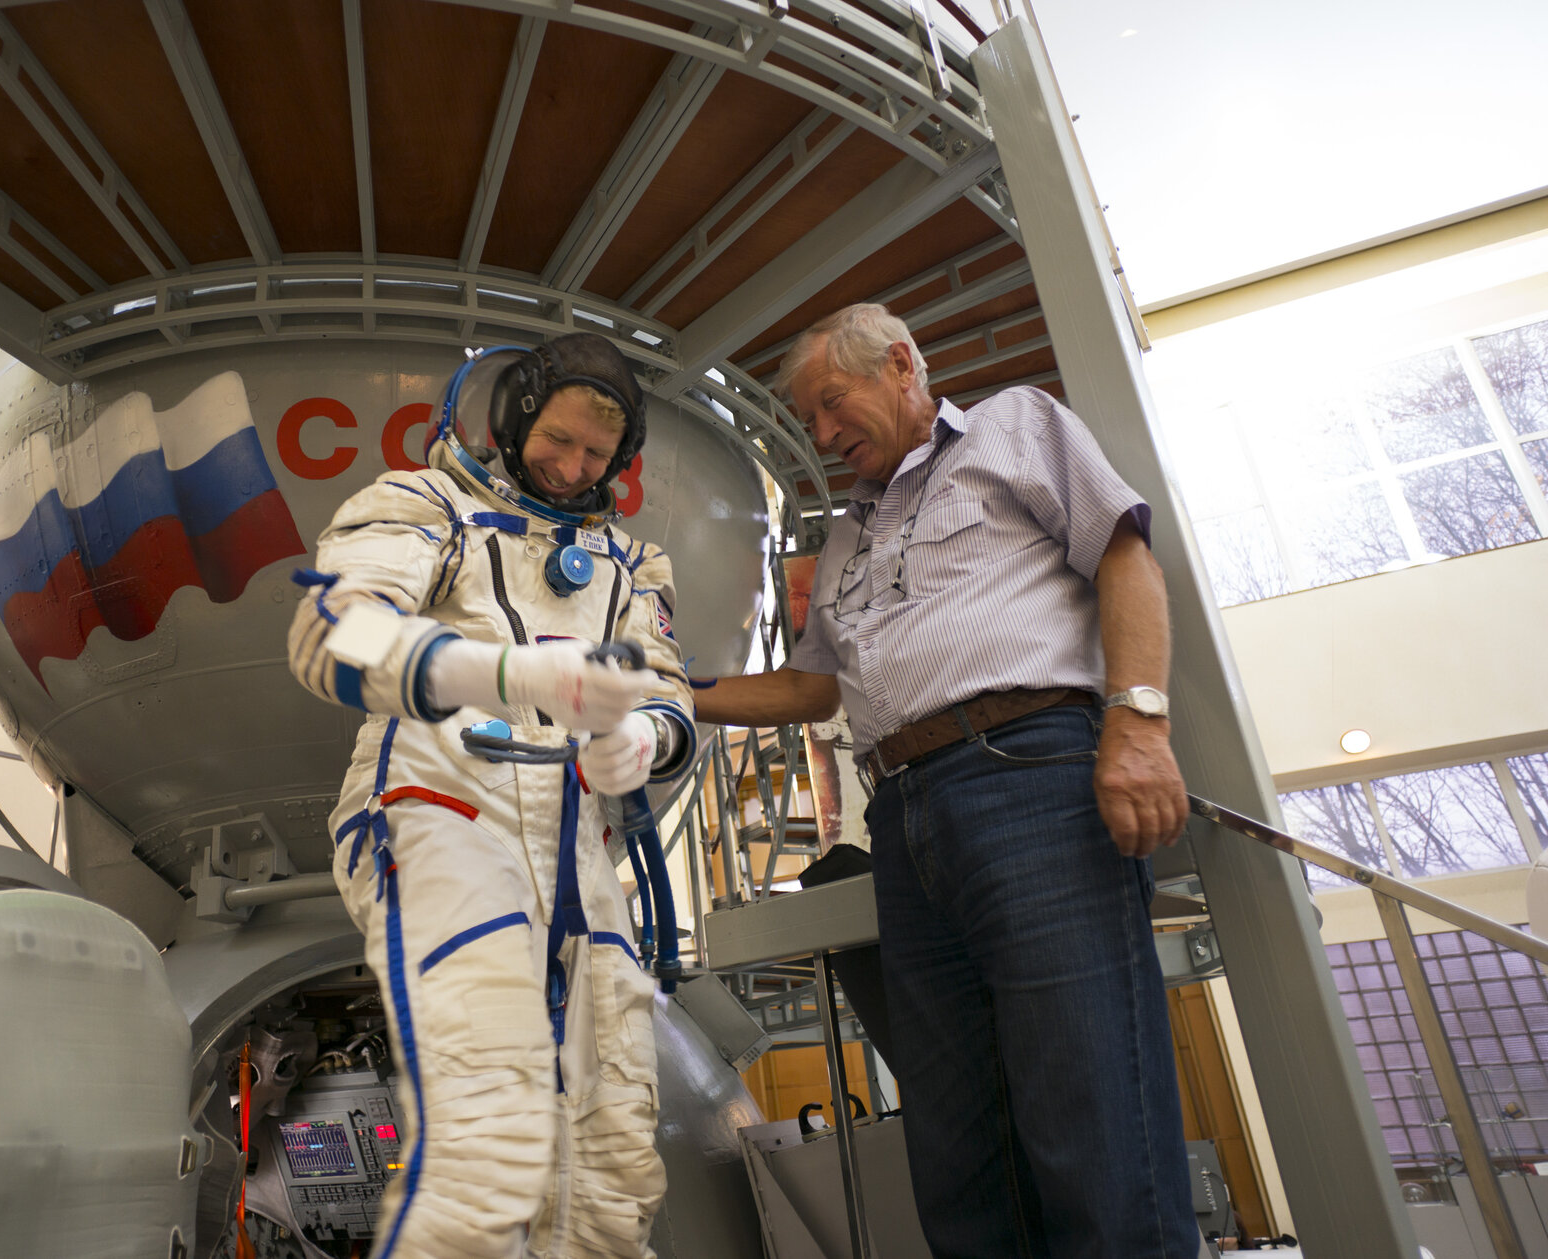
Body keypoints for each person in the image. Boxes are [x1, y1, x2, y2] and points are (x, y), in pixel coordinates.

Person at [693, 303, 1199, 1257]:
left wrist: (1137, 719)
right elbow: (811, 687)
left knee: (1087, 1102)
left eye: (832, 404)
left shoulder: (1015, 425)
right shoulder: (846, 535)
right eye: (810, 422)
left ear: (901, 364)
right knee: (957, 1139)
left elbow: (1124, 555)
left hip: (1031, 776)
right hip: (906, 817)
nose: (826, 434)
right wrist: (671, 691)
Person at [287, 333, 694, 1259]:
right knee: (488, 1136)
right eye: (556, 440)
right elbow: (336, 635)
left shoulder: (632, 564)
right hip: (438, 811)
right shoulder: (424, 504)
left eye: (596, 455)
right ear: (513, 422)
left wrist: (642, 738)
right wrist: (508, 672)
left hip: (578, 860)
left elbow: (668, 689)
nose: (571, 467)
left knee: (610, 1151)